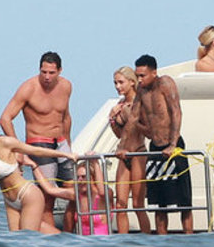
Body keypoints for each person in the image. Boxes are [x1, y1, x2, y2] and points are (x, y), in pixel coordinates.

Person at [117, 54, 193, 234]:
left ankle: (189, 237)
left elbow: (176, 112)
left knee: (183, 202)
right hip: (155, 147)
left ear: (154, 72)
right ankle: (161, 239)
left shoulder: (165, 83)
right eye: (137, 76)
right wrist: (122, 145)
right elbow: (133, 118)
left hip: (173, 144)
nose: (139, 80)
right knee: (159, 203)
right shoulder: (141, 92)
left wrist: (173, 144)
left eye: (143, 75)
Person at [0, 51, 74, 227]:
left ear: (60, 71)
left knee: (75, 192)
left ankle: (71, 235)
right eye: (43, 72)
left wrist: (68, 144)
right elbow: (5, 118)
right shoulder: (29, 88)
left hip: (61, 142)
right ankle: (50, 238)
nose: (47, 77)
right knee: (47, 197)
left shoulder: (66, 86)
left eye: (51, 73)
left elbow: (65, 117)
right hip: (39, 144)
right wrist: (18, 149)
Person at [0, 110, 76, 233]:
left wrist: (66, 155)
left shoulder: (6, 142)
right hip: (9, 200)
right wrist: (21, 164)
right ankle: (62, 239)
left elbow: (35, 151)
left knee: (27, 235)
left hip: (27, 195)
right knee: (16, 238)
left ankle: (65, 240)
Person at [23, 154, 113, 235]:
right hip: (83, 243)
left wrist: (95, 162)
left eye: (83, 177)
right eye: (77, 177)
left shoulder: (105, 195)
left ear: (93, 178)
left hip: (100, 242)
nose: (80, 180)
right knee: (40, 226)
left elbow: (102, 191)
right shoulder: (76, 194)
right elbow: (49, 189)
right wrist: (33, 166)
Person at [108, 66, 151, 234]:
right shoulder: (119, 104)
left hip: (138, 153)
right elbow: (120, 134)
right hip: (123, 154)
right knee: (120, 204)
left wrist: (127, 114)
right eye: (115, 83)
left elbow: (144, 130)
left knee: (138, 204)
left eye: (121, 82)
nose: (117, 86)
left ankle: (147, 238)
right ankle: (123, 240)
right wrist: (112, 119)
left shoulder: (140, 102)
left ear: (132, 82)